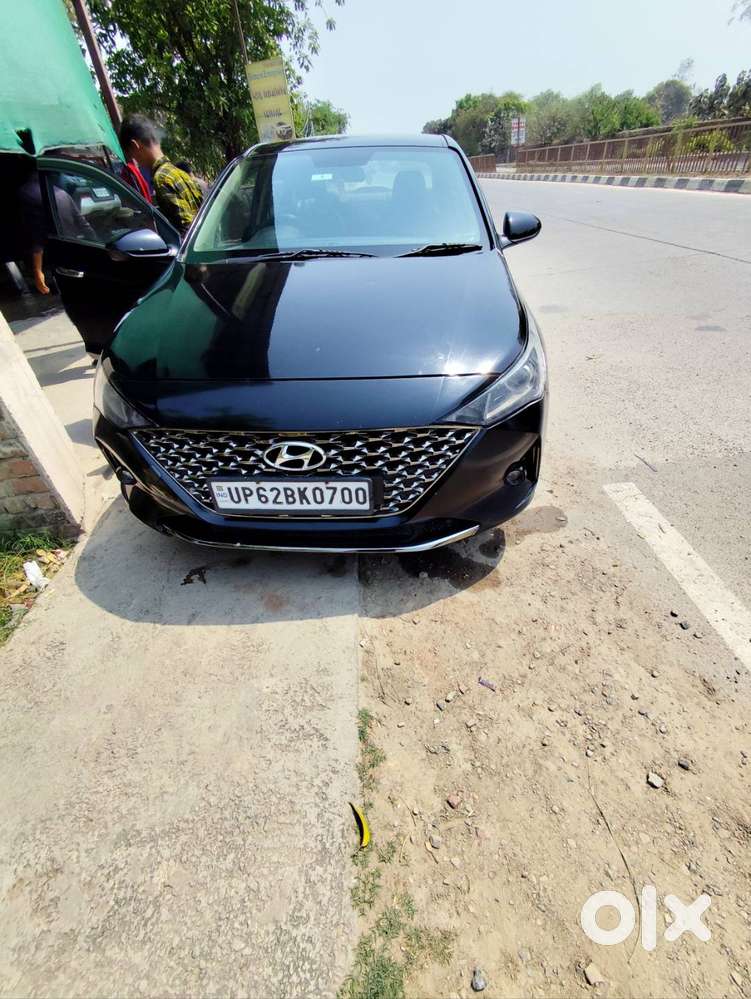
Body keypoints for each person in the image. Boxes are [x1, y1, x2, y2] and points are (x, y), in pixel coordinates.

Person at [119, 114, 203, 233]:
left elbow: (186, 230)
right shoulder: (179, 173)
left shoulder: (162, 179)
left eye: (133, 156)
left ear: (135, 145)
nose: (136, 162)